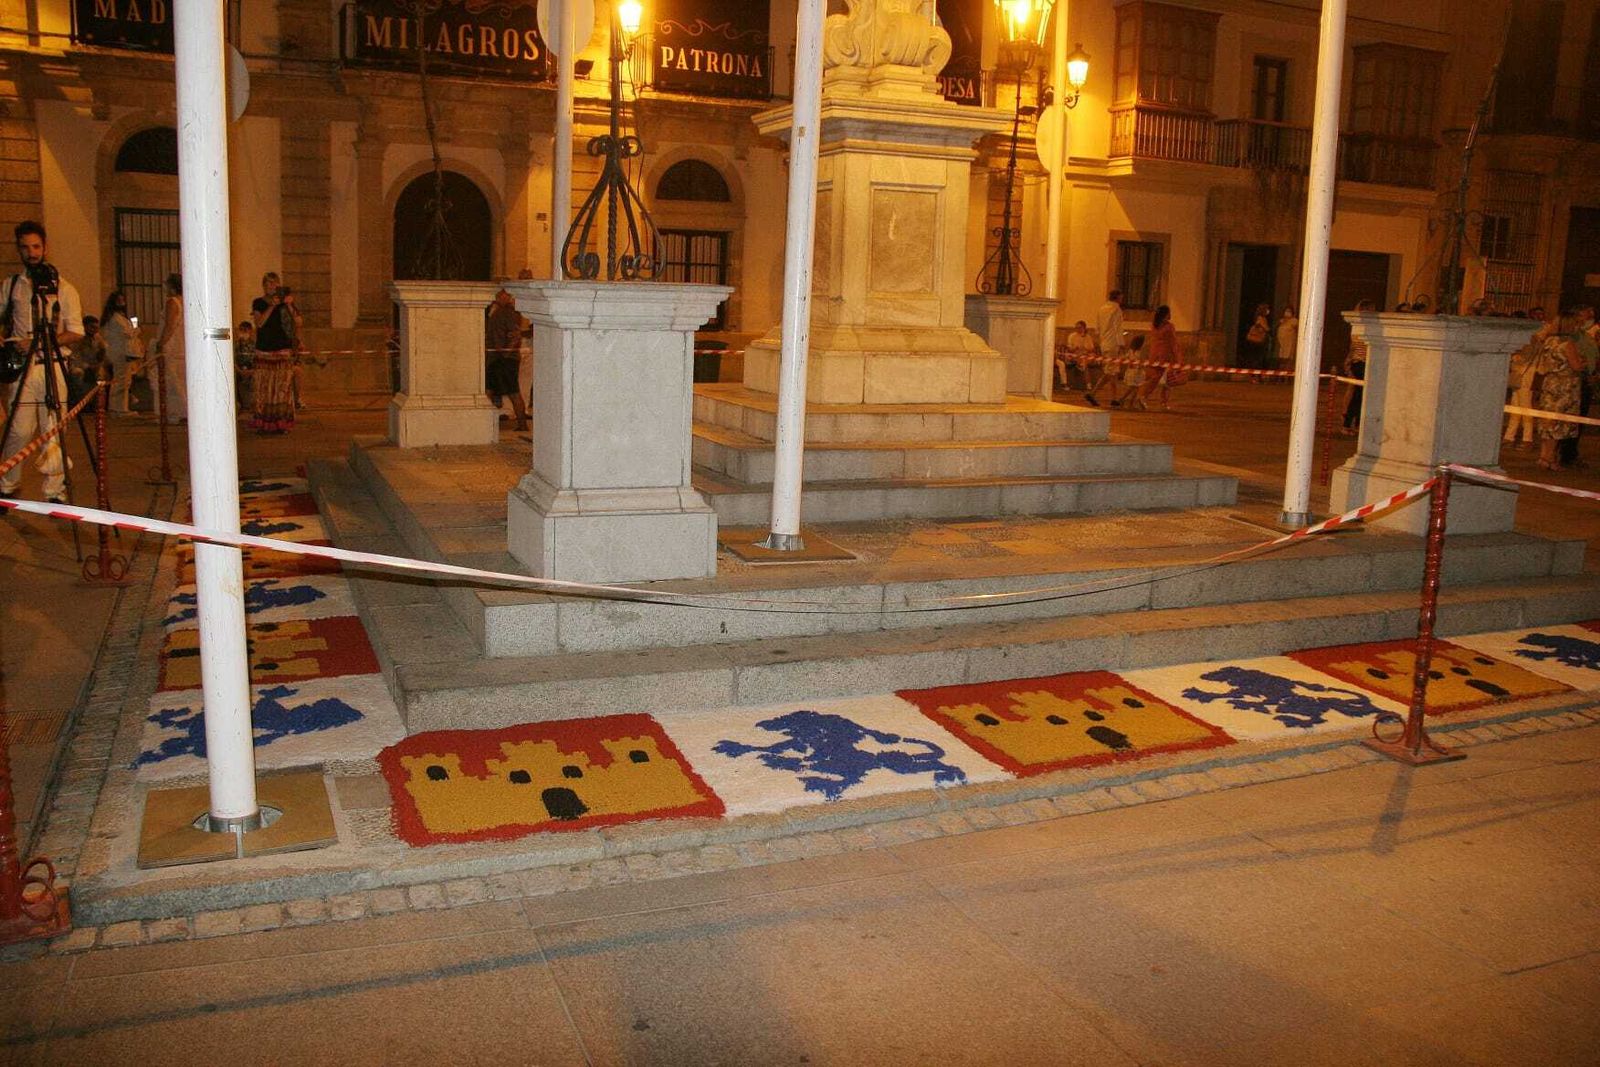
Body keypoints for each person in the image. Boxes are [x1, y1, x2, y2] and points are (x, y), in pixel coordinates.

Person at [0, 220, 82, 503]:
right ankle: (7, 486)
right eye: (25, 247)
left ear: (44, 247)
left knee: (54, 430)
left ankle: (54, 491)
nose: (31, 252)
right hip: (23, 370)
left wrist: (40, 342)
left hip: (53, 366)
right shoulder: (12, 286)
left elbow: (75, 332)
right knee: (17, 431)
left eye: (36, 246)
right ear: (19, 249)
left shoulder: (65, 288)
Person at [1534, 313, 1584, 471]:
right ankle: (1550, 458)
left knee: (1548, 421)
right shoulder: (1567, 344)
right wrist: (1583, 362)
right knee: (1559, 423)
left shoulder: (1548, 342)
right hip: (1564, 385)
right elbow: (1576, 366)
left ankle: (1543, 456)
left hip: (1550, 383)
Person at [251, 278, 297, 434]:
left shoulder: (285, 304)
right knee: (264, 389)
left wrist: (289, 304)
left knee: (281, 390)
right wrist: (272, 306)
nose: (272, 287)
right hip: (264, 351)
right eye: (269, 284)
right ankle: (264, 424)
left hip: (282, 350)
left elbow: (298, 322)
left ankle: (281, 424)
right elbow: (259, 323)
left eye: (275, 284)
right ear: (263, 286)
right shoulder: (258, 302)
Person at [485, 289, 529, 431]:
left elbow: (516, 335)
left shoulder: (508, 313)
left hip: (504, 359)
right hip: (496, 358)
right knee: (489, 390)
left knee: (512, 391)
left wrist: (506, 353)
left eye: (502, 293)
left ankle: (522, 425)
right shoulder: (497, 311)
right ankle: (484, 423)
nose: (498, 296)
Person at [1559, 304, 1597, 468]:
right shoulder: (1570, 338)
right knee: (1571, 419)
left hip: (1587, 379)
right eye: (1584, 315)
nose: (1587, 318)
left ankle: (1571, 452)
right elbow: (1576, 360)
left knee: (1580, 419)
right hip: (1575, 381)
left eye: (1589, 315)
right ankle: (1566, 454)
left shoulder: (1586, 335)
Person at [100, 290, 143, 414]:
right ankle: (118, 408)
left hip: (121, 351)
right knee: (121, 381)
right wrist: (136, 326)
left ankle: (120, 407)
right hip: (120, 352)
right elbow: (129, 333)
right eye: (119, 300)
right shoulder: (115, 318)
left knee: (123, 381)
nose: (122, 303)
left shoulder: (118, 317)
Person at [152, 272, 186, 423]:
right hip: (181, 345)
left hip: (171, 345)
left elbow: (170, 325)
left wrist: (161, 343)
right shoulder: (185, 301)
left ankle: (173, 413)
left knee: (169, 380)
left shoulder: (172, 302)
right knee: (178, 380)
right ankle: (179, 412)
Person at [1138, 305, 1183, 410]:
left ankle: (1144, 396)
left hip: (1154, 355)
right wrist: (1178, 359)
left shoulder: (1154, 325)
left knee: (1154, 378)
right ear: (1166, 314)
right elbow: (1173, 343)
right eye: (1169, 312)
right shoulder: (1169, 327)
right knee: (1167, 381)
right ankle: (1159, 400)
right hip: (1166, 355)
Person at [1341, 300, 1374, 435]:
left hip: (1359, 363)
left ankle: (1354, 424)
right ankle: (1348, 424)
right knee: (1358, 396)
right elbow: (1359, 347)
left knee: (1360, 396)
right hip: (1361, 363)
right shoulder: (1363, 327)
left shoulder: (1358, 326)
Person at [1503, 333, 1540, 450]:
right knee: (1517, 407)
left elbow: (1523, 358)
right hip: (1521, 377)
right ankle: (1510, 436)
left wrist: (1513, 354)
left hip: (1525, 378)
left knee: (1524, 408)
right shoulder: (1532, 341)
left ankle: (1527, 439)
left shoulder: (1531, 341)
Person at [68, 314, 108, 409]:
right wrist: (87, 367)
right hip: (79, 366)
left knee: (102, 376)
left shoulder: (97, 338)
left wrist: (100, 358)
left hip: (94, 366)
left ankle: (98, 404)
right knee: (78, 374)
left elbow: (103, 352)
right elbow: (74, 357)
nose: (95, 330)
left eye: (96, 328)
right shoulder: (77, 338)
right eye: (92, 327)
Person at [1240, 302, 1271, 374]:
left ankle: (1255, 375)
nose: (1268, 311)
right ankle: (1255, 375)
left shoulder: (1258, 318)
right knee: (1257, 358)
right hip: (1257, 341)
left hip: (1256, 341)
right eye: (1267, 309)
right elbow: (1266, 328)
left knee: (1256, 358)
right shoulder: (1261, 318)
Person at [234, 319, 256, 413]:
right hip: (238, 370)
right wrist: (239, 370)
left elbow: (258, 361)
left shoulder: (255, 345)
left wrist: (250, 371)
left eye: (246, 330)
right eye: (241, 330)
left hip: (252, 370)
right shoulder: (235, 345)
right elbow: (231, 359)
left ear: (250, 332)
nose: (243, 333)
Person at [1275, 305, 1297, 372]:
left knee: (1288, 360)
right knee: (1281, 360)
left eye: (1289, 311)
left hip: (1289, 344)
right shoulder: (1281, 321)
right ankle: (1280, 376)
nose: (1287, 313)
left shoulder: (1294, 321)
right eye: (1286, 311)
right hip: (1281, 344)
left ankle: (1286, 377)